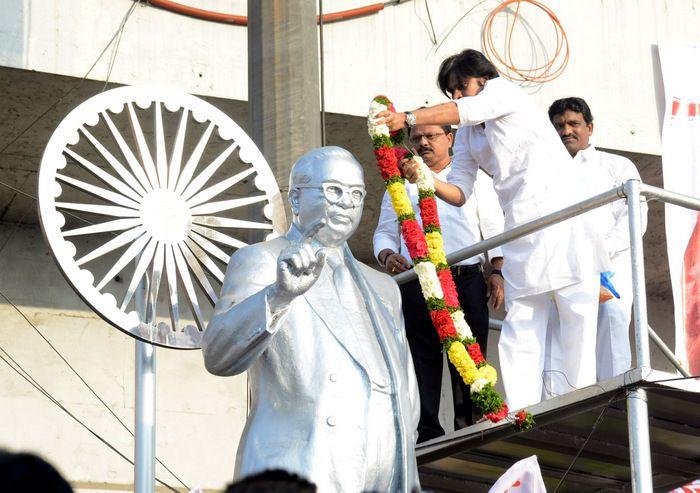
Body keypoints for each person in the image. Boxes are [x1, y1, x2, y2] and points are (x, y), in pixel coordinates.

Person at [376, 49, 608, 410]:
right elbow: (459, 192)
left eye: (460, 86)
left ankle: (578, 405)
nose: (456, 96)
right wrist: (423, 177)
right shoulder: (468, 136)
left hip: (564, 214)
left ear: (483, 79)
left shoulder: (504, 93)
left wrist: (405, 117)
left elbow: (462, 111)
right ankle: (522, 409)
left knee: (576, 313)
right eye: (450, 90)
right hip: (521, 224)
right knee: (521, 321)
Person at [202, 147, 421, 493]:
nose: (347, 203)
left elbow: (404, 390)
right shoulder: (261, 260)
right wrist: (278, 295)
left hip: (387, 474)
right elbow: (217, 353)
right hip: (305, 465)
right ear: (296, 199)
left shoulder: (384, 288)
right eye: (333, 190)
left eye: (356, 194)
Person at [373, 123, 504, 441]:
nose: (423, 142)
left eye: (431, 136)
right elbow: (384, 232)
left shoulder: (471, 178)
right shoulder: (399, 186)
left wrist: (497, 272)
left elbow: (494, 228)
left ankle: (471, 430)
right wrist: (388, 255)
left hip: (465, 280)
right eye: (416, 138)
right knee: (422, 360)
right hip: (417, 282)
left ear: (450, 138)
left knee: (470, 358)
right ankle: (428, 433)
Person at [548, 97, 648, 381]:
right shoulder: (546, 172)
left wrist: (600, 252)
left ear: (589, 127)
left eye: (573, 123)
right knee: (562, 337)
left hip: (611, 264)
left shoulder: (617, 165)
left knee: (611, 325)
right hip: (563, 268)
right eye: (559, 125)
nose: (566, 130)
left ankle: (614, 406)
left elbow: (635, 215)